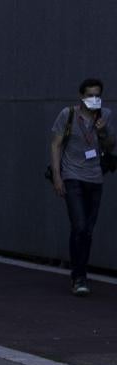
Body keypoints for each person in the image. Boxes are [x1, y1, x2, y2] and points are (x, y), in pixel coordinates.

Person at [49, 77, 113, 296]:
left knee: (87, 230)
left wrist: (103, 131)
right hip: (72, 176)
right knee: (79, 225)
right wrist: (57, 175)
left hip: (95, 178)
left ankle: (79, 270)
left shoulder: (105, 116)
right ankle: (79, 276)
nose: (93, 99)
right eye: (89, 95)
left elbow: (110, 145)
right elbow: (56, 144)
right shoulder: (68, 115)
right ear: (81, 96)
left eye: (97, 95)